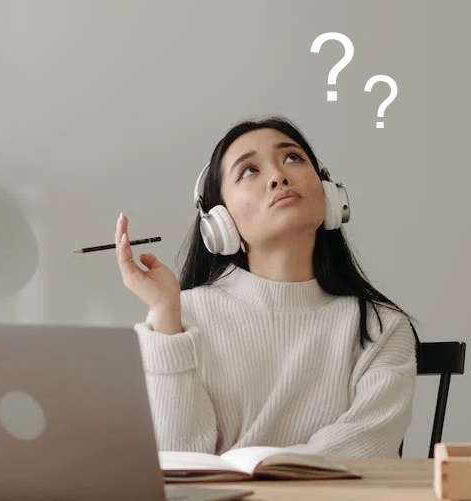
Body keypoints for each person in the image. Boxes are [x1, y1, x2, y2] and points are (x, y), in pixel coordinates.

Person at [114, 116, 418, 459]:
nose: (278, 176)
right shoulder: (183, 316)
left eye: (292, 158)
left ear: (329, 194)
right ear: (220, 223)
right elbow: (175, 461)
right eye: (249, 171)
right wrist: (166, 317)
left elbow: (364, 451)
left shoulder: (382, 327)